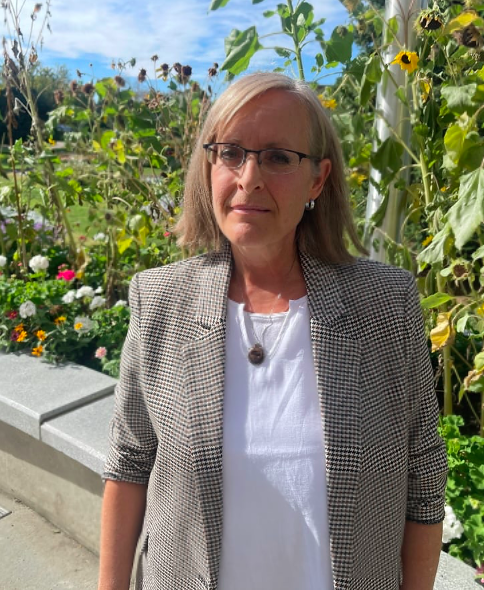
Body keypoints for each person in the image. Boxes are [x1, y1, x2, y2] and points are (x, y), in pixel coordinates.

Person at [98, 72, 447, 590]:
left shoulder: (385, 306)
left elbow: (423, 479)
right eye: (231, 152)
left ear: (318, 179)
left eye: (279, 157)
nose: (249, 178)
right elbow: (129, 465)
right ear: (208, 166)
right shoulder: (161, 302)